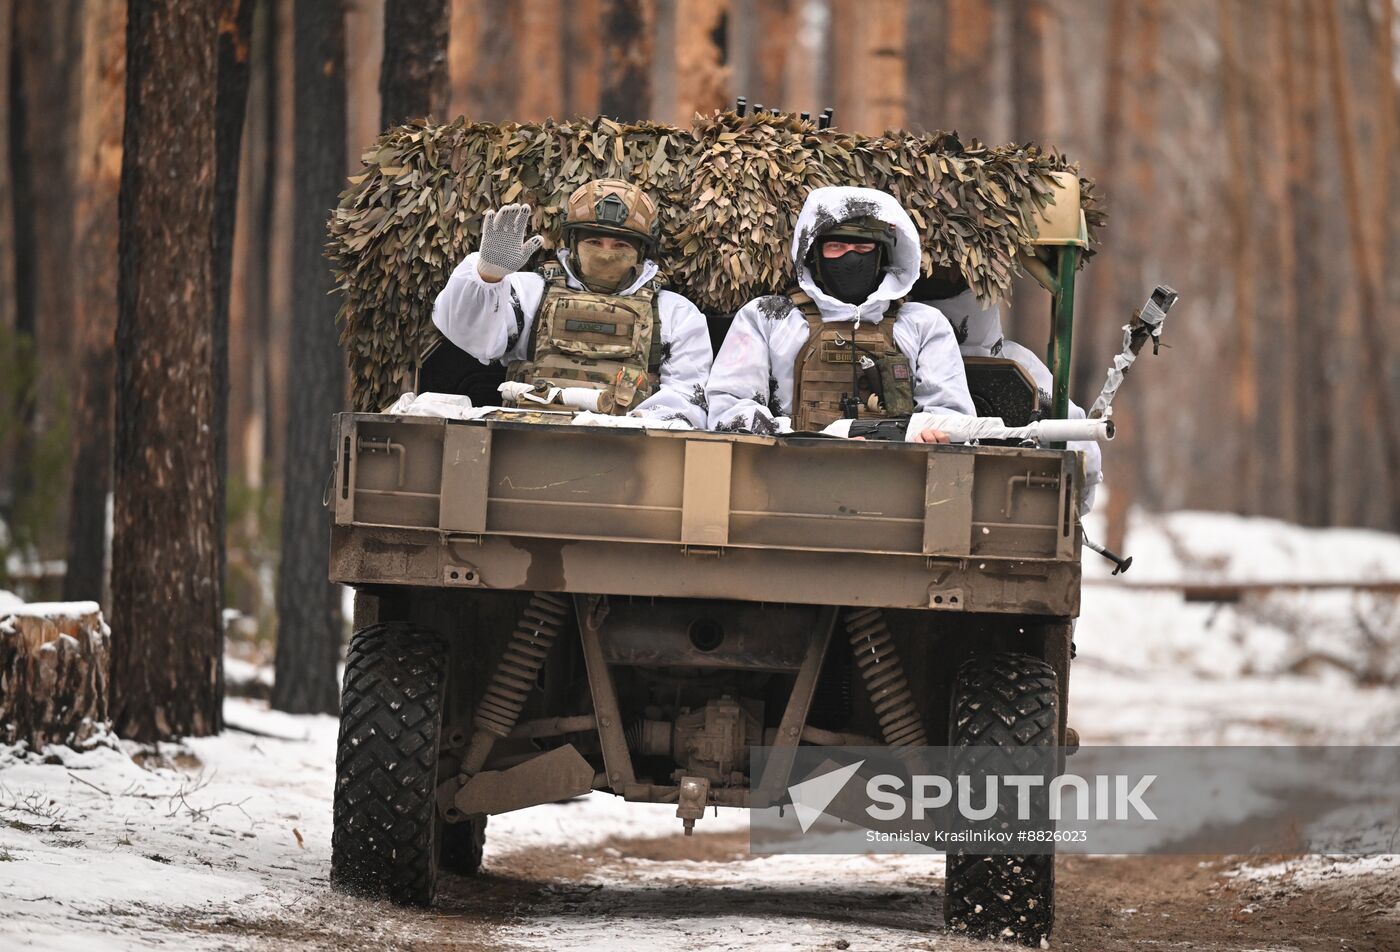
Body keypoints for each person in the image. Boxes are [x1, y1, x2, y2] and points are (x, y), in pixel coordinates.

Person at [432, 179, 713, 426]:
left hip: (628, 452)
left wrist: (626, 426)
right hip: (525, 441)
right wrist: (487, 278)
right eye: (594, 241)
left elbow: (687, 401)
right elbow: (471, 337)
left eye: (620, 245)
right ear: (573, 242)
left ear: (641, 252)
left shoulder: (674, 313)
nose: (606, 253)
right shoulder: (531, 293)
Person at [706, 186, 973, 442]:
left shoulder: (922, 324)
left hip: (896, 469)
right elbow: (729, 407)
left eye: (863, 249)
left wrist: (932, 433)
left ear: (881, 255)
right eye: (836, 247)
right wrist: (804, 439)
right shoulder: (769, 318)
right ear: (814, 256)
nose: (851, 259)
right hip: (789, 468)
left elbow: (953, 415)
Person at [917, 269, 1104, 512]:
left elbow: (1083, 460)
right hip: (1013, 510)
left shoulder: (903, 358)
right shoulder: (1019, 364)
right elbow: (1084, 466)